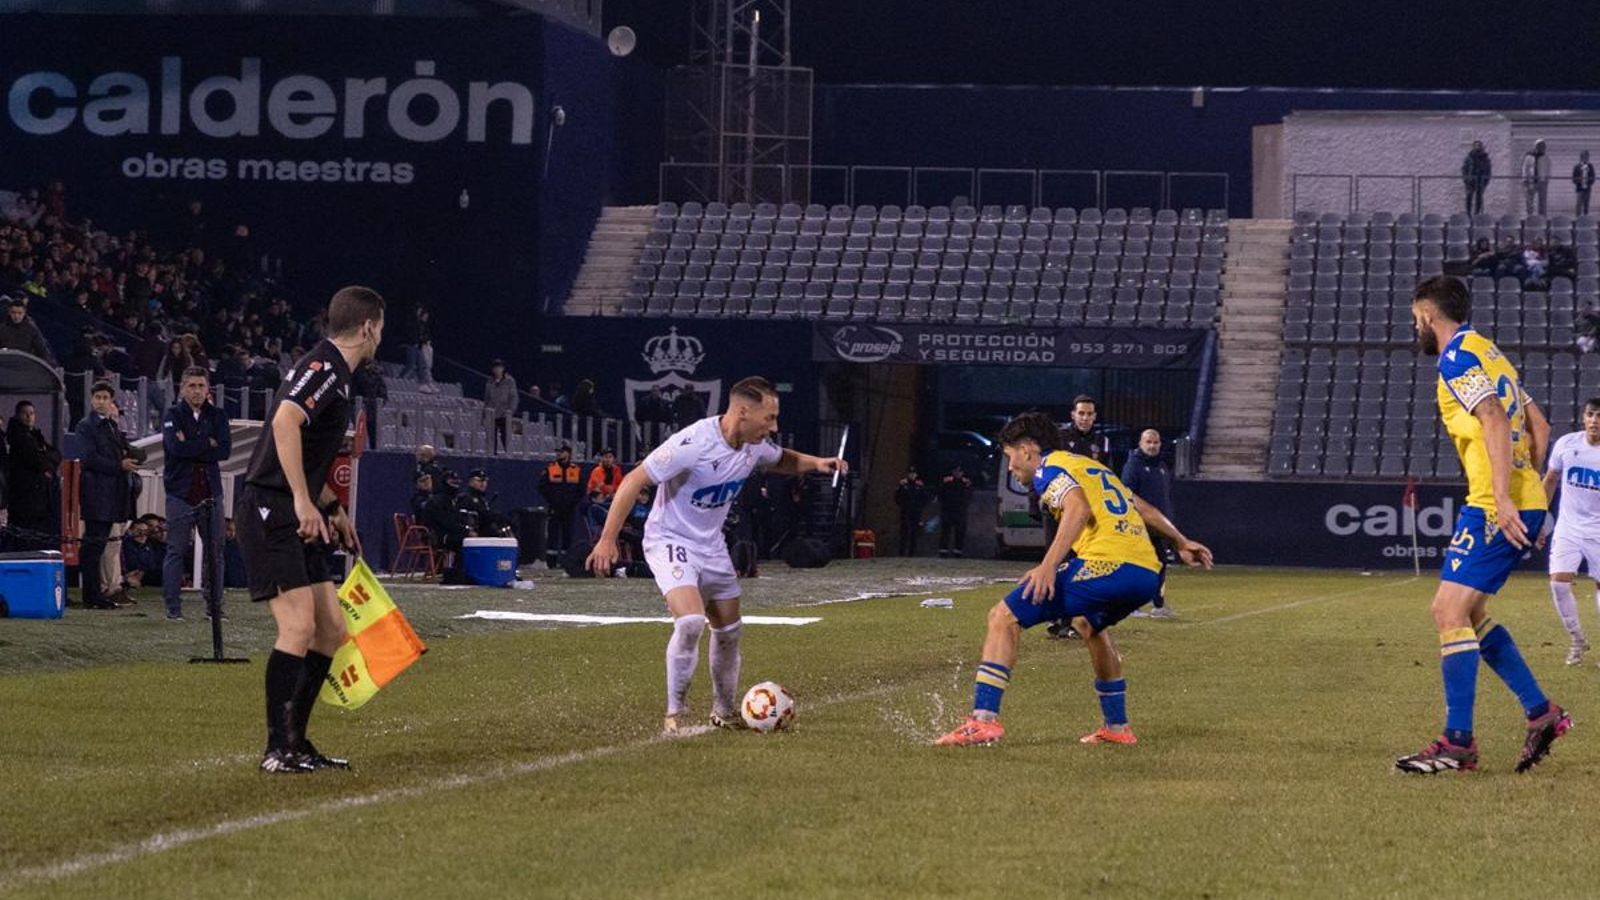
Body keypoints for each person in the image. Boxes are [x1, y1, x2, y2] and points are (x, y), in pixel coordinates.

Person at [934, 410, 1212, 748]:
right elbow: (1143, 508)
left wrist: (1048, 565)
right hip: (1146, 574)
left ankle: (982, 720)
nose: (1011, 468)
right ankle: (1117, 727)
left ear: (1027, 450)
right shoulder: (1089, 466)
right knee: (1087, 624)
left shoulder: (1048, 468)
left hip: (1110, 566)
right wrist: (1181, 541)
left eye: (1010, 458)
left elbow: (1078, 508)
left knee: (1002, 617)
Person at [585, 376, 847, 734]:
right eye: (769, 418)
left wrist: (819, 464)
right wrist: (607, 539)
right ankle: (674, 714)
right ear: (742, 411)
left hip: (711, 545)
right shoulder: (693, 443)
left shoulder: (754, 445)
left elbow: (780, 459)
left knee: (729, 631)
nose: (774, 426)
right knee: (691, 623)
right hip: (670, 540)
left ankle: (724, 711)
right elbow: (634, 480)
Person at [1395, 275, 1567, 775]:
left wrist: (1503, 499)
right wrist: (1528, 489)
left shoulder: (1458, 359)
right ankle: (1541, 713)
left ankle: (1459, 742)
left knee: (1447, 610)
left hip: (1494, 504)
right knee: (1467, 615)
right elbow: (1541, 426)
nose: (1416, 328)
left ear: (1428, 315)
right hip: (1515, 497)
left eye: (1415, 320)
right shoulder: (1490, 352)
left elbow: (1492, 417)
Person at [234, 285, 384, 774]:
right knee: (298, 626)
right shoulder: (324, 369)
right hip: (271, 508)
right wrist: (302, 499)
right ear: (367, 327)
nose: (381, 336)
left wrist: (330, 506)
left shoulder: (336, 375)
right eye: (380, 328)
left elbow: (305, 450)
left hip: (298, 509)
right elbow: (284, 423)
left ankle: (297, 742)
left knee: (331, 630)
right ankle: (276, 750)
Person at [161, 366, 231, 621]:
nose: (197, 391)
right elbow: (174, 448)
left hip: (211, 492)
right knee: (176, 550)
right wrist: (206, 442)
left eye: (201, 386)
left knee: (216, 552)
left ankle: (215, 609)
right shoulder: (172, 414)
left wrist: (189, 443)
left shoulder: (218, 415)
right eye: (192, 386)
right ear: (182, 388)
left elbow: (223, 451)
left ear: (207, 388)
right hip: (180, 492)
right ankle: (173, 608)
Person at [1541, 398, 1600, 665]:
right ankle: (1577, 640)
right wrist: (1540, 520)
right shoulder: (1566, 444)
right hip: (1568, 527)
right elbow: (1550, 479)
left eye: (1599, 416)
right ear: (1583, 417)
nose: (1594, 420)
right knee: (1558, 583)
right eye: (1590, 414)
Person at [74, 382, 137, 610]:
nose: (101, 401)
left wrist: (118, 425)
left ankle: (95, 594)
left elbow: (124, 447)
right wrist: (119, 466)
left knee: (99, 545)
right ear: (92, 399)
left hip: (111, 494)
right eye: (97, 397)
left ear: (111, 400)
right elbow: (88, 458)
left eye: (105, 397)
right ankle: (91, 595)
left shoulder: (110, 425)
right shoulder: (85, 426)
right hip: (96, 493)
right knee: (93, 546)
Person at [1121, 429, 1179, 619]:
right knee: (1138, 565)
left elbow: (1165, 498)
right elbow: (1127, 496)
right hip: (1140, 526)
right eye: (1148, 442)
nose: (1152, 446)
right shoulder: (1133, 466)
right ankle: (1132, 606)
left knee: (1160, 563)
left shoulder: (1162, 466)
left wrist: (1167, 522)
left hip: (1158, 528)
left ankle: (1158, 605)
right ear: (1141, 443)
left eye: (1155, 442)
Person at [6, 401, 59, 544]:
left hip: (38, 500)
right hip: (24, 498)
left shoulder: (35, 435)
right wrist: (45, 464)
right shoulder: (18, 436)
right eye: (25, 413)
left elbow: (56, 455)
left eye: (32, 413)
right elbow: (37, 461)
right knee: (25, 539)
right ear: (18, 415)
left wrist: (46, 463)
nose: (29, 417)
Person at [539, 445, 582, 567]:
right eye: (557, 452)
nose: (558, 454)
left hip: (569, 509)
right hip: (555, 508)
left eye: (561, 452)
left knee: (568, 535)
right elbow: (542, 486)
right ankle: (551, 563)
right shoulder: (550, 469)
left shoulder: (576, 470)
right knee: (553, 535)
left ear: (568, 453)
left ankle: (565, 562)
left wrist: (572, 503)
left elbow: (581, 489)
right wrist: (553, 501)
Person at [0, 295, 56, 363]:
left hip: (24, 366)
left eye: (20, 313)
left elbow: (42, 349)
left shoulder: (31, 328)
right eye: (13, 313)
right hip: (6, 364)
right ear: (9, 312)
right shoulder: (2, 328)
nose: (16, 316)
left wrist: (52, 365)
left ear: (24, 313)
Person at [456, 469, 511, 537]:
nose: (483, 483)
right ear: (471, 482)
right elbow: (479, 515)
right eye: (480, 481)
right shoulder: (466, 498)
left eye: (485, 481)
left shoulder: (482, 499)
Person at [937, 465, 972, 558]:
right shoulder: (947, 482)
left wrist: (964, 507)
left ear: (962, 473)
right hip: (948, 511)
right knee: (945, 533)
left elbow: (969, 497)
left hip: (960, 512)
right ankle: (943, 552)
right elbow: (941, 495)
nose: (957, 473)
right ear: (953, 472)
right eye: (956, 471)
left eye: (959, 472)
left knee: (960, 533)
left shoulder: (966, 483)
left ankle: (958, 552)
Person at [484, 359, 518, 452]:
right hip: (492, 413)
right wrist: (485, 412)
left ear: (503, 369)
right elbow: (487, 398)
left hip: (504, 413)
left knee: (505, 436)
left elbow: (513, 397)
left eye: (499, 367)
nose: (497, 370)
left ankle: (508, 454)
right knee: (491, 437)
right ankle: (492, 454)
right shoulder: (490, 382)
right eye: (495, 368)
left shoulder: (509, 381)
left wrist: (510, 411)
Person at [894, 467, 927, 556]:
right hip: (905, 512)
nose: (912, 475)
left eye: (914, 474)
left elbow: (923, 499)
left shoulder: (919, 486)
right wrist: (903, 506)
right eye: (910, 473)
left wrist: (919, 510)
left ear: (916, 475)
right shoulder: (903, 485)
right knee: (904, 533)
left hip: (916, 512)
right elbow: (897, 498)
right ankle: (902, 553)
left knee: (914, 534)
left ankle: (912, 554)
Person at [121, 519, 164, 588]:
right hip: (132, 575)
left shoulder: (148, 545)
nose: (142, 534)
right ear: (130, 531)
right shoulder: (126, 545)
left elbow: (152, 565)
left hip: (145, 574)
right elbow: (130, 564)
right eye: (138, 531)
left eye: (145, 531)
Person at [1462, 140, 1492, 215]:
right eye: (1476, 145)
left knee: (1479, 197)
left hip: (1480, 180)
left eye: (1479, 145)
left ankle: (1477, 213)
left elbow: (1488, 170)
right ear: (1473, 147)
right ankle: (1468, 213)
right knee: (1469, 196)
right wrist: (1466, 179)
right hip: (1470, 180)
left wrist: (1486, 180)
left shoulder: (1485, 158)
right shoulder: (1469, 157)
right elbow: (1464, 169)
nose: (1477, 147)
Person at [1522, 140, 1551, 216]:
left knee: (1542, 201)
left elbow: (1548, 169)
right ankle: (1529, 217)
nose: (1543, 148)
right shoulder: (1528, 157)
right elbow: (1525, 168)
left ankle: (1542, 218)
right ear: (1536, 147)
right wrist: (1525, 179)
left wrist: (1546, 180)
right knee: (1529, 201)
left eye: (1544, 147)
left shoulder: (1546, 158)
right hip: (1531, 181)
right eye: (1541, 146)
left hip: (1542, 181)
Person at [1575, 151, 1596, 217]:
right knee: (1579, 205)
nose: (1585, 158)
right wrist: (1579, 180)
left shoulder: (1590, 166)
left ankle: (1585, 220)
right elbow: (1574, 178)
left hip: (1587, 189)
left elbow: (1593, 177)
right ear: (1581, 157)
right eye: (1584, 156)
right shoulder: (1577, 166)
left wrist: (1589, 182)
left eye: (1587, 156)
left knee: (1586, 205)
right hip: (1580, 189)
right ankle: (1578, 220)